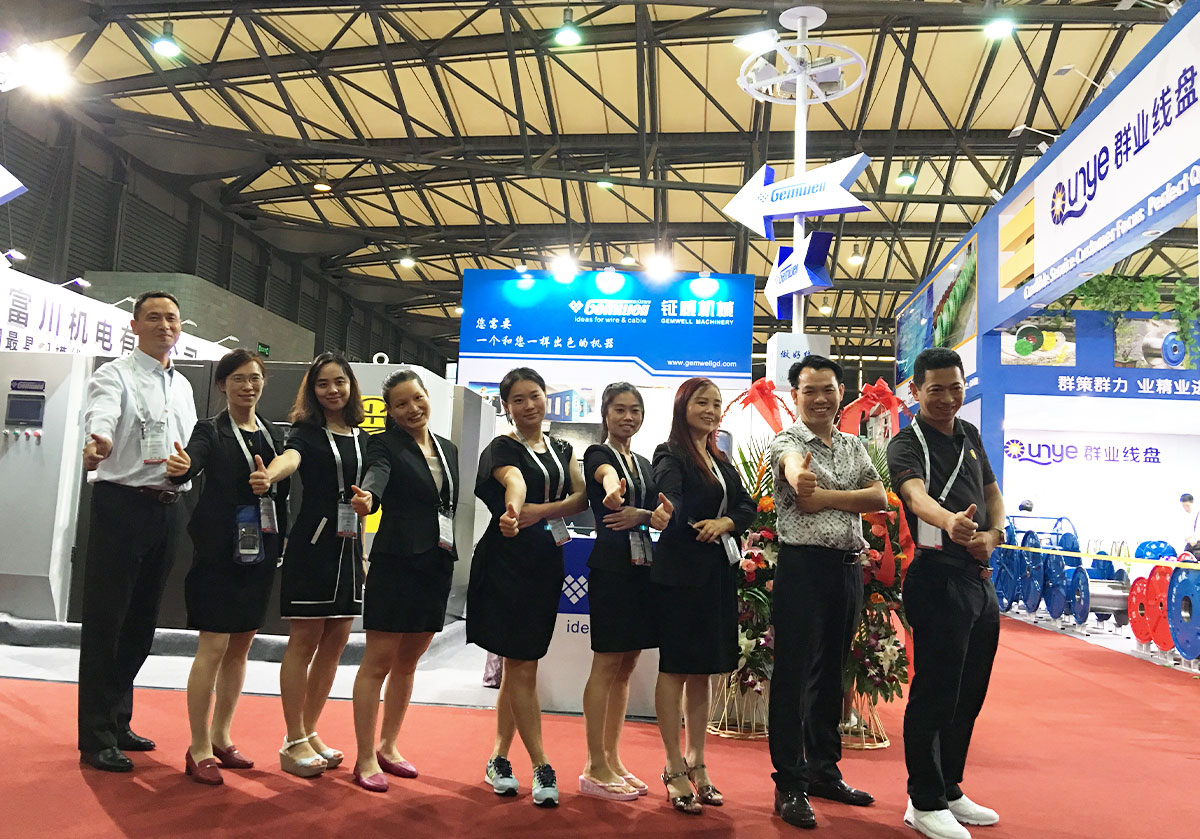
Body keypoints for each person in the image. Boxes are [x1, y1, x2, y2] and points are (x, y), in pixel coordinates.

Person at [887, 348, 1007, 839]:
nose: (946, 398)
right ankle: (924, 800)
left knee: (969, 694)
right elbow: (914, 496)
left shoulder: (970, 435)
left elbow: (993, 492)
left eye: (955, 387)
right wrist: (949, 522)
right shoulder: (906, 442)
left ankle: (950, 788)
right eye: (935, 389)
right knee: (935, 693)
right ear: (915, 391)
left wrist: (993, 533)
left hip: (979, 579)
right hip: (936, 578)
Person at [77, 290, 198, 773]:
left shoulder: (183, 385)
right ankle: (95, 735)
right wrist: (100, 441)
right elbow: (101, 415)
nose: (164, 325)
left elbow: (188, 444)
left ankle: (118, 719)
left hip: (167, 508)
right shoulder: (115, 375)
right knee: (107, 621)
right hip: (121, 505)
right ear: (134, 325)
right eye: (153, 317)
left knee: (141, 623)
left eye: (171, 318)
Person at [767, 356, 887, 829]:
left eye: (828, 390)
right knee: (793, 676)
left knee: (831, 675)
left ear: (841, 393)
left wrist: (825, 498)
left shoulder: (854, 445)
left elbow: (878, 497)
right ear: (795, 396)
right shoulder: (789, 441)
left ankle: (823, 772)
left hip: (846, 570)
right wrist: (800, 479)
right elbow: (793, 472)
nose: (819, 399)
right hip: (803, 568)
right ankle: (789, 783)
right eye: (809, 390)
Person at [165, 349, 288, 785]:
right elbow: (192, 460)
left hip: (259, 554)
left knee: (241, 648)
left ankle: (221, 736)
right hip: (218, 555)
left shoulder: (272, 434)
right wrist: (182, 467)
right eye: (238, 378)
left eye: (255, 378)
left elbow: (288, 472)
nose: (248, 386)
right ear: (222, 385)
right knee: (213, 647)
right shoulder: (210, 430)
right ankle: (198, 746)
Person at [467, 367, 587, 807]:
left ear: (545, 398)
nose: (528, 405)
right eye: (518, 399)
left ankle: (498, 758)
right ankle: (541, 763)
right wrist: (516, 512)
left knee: (521, 663)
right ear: (507, 406)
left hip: (547, 559)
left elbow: (581, 498)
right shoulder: (502, 447)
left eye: (534, 395)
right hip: (508, 560)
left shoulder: (562, 448)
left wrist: (539, 512)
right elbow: (513, 481)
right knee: (521, 663)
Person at [252, 353, 366, 777]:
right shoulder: (305, 432)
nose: (332, 390)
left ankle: (310, 730)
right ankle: (293, 738)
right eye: (323, 384)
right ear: (312, 391)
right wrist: (270, 475)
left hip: (350, 547)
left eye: (339, 382)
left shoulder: (364, 438)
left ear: (351, 385)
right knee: (304, 640)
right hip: (313, 543)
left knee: (336, 643)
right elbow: (291, 458)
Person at [347, 369, 460, 793]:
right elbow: (376, 475)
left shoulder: (447, 448)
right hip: (395, 564)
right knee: (378, 661)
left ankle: (388, 746)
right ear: (391, 412)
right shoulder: (383, 444)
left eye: (417, 399)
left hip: (436, 563)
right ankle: (364, 756)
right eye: (401, 404)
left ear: (427, 395)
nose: (412, 409)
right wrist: (368, 497)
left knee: (409, 662)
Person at [651, 377, 756, 816]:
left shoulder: (720, 458)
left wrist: (726, 523)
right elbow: (670, 497)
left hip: (716, 575)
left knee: (705, 671)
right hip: (680, 575)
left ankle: (698, 760)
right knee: (676, 668)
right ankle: (673, 765)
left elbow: (747, 506)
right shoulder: (670, 453)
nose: (711, 410)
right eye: (702, 402)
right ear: (683, 406)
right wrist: (667, 512)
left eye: (716, 403)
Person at [578, 383, 672, 801]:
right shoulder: (598, 454)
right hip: (611, 568)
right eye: (619, 410)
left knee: (627, 665)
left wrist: (655, 515)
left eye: (635, 410)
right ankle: (593, 765)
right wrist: (613, 489)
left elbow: (652, 513)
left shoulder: (645, 463)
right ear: (605, 414)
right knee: (606, 663)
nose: (628, 417)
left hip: (642, 569)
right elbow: (604, 475)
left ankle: (612, 758)